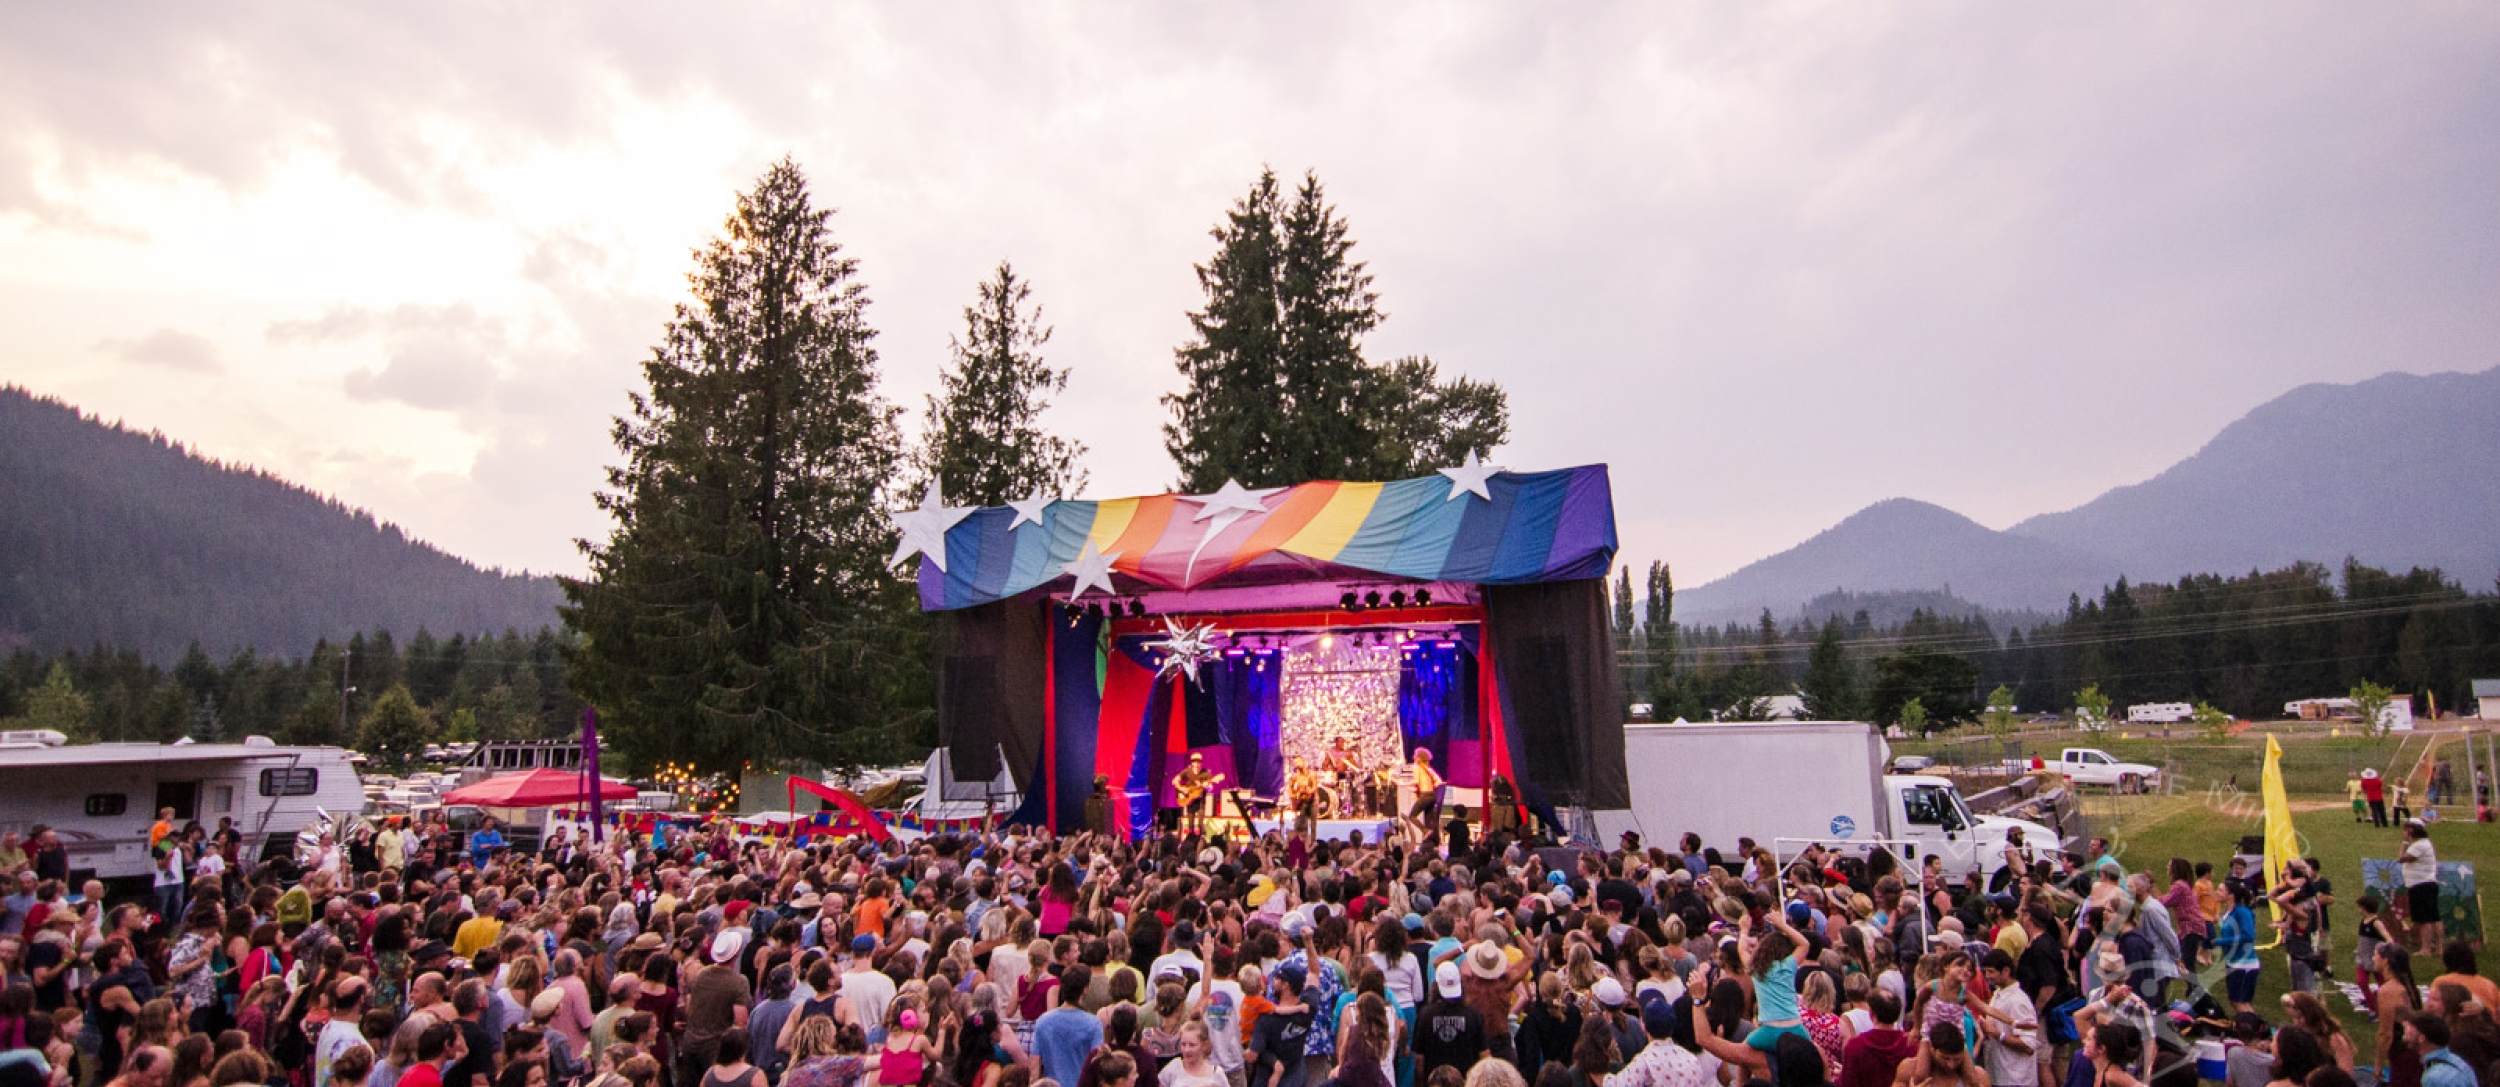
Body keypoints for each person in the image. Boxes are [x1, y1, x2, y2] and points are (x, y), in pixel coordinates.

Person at [1410, 963, 1482, 1083]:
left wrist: (1420, 1083)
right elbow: (1484, 1054)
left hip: (1433, 1082)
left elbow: (1419, 1059)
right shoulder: (1473, 1015)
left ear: (1436, 986)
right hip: (1467, 1082)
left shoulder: (1425, 1015)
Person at [1034, 966, 1105, 1087]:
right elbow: (1097, 1064)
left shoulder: (1043, 1021)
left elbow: (1034, 1064)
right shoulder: (1093, 1023)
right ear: (1085, 990)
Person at [2400, 822, 2441, 954]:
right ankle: (2440, 948)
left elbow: (2401, 858)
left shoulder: (2419, 846)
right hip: (2428, 884)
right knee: (2434, 917)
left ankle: (2426, 949)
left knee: (2425, 919)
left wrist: (2404, 842)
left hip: (2420, 885)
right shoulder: (2426, 843)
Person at [2402, 1015, 2475, 1087]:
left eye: (2410, 1032)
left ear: (2421, 1038)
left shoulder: (2433, 1078)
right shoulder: (2458, 1061)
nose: (2405, 1037)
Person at [1173, 755, 1223, 836]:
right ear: (1192, 763)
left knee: (1200, 823)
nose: (1196, 764)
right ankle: (1191, 841)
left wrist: (1207, 786)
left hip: (1201, 801)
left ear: (1201, 763)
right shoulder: (1187, 771)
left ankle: (1201, 840)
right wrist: (1182, 789)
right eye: (1194, 762)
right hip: (1190, 801)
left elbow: (1210, 788)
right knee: (1190, 825)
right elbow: (1174, 781)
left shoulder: (1206, 773)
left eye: (1198, 762)